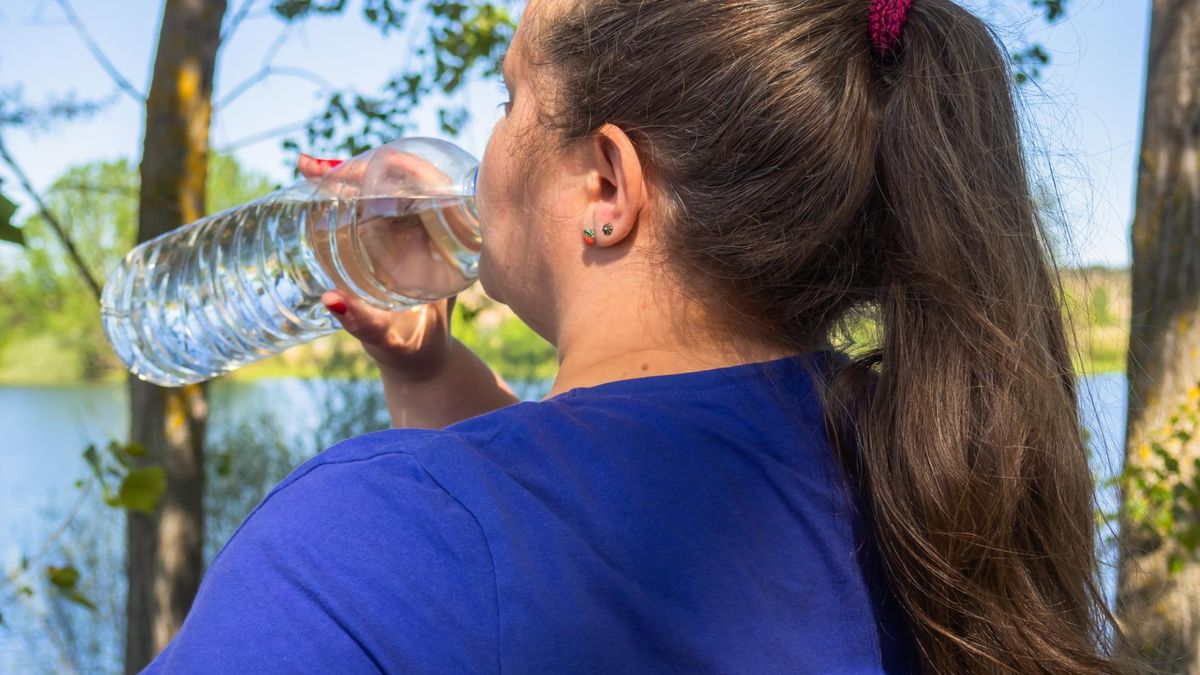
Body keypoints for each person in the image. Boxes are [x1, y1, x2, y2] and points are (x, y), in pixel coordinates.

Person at [143, 0, 1131, 672]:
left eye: (510, 97)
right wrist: (428, 372)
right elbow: (573, 522)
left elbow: (491, 551)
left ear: (607, 186)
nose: (484, 142)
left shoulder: (354, 542)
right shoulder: (935, 481)